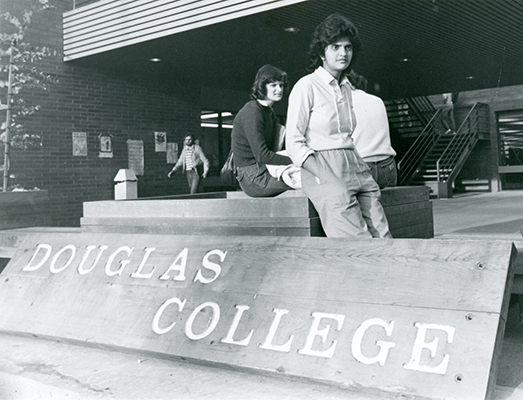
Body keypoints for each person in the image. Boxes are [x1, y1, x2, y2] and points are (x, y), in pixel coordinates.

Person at [286, 13, 392, 239]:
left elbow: (347, 135)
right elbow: (294, 144)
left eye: (348, 47)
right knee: (356, 243)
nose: (343, 53)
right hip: (324, 166)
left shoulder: (345, 88)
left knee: (384, 237)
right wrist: (326, 177)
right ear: (321, 51)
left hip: (355, 162)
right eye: (335, 47)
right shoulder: (307, 86)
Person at [232, 64, 293, 197]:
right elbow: (262, 155)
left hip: (264, 169)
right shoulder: (253, 111)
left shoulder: (268, 112)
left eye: (281, 85)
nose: (279, 89)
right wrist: (296, 160)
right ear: (262, 86)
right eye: (273, 85)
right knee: (309, 180)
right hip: (252, 177)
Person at [351, 88, 397, 189]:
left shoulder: (342, 101)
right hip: (387, 164)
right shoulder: (377, 100)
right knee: (388, 203)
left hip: (360, 163)